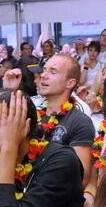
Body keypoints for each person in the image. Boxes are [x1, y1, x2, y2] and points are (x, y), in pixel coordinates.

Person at [34, 54, 96, 186]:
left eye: (53, 71)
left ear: (70, 83)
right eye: (44, 70)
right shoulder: (34, 116)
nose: (44, 75)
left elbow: (82, 177)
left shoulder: (80, 121)